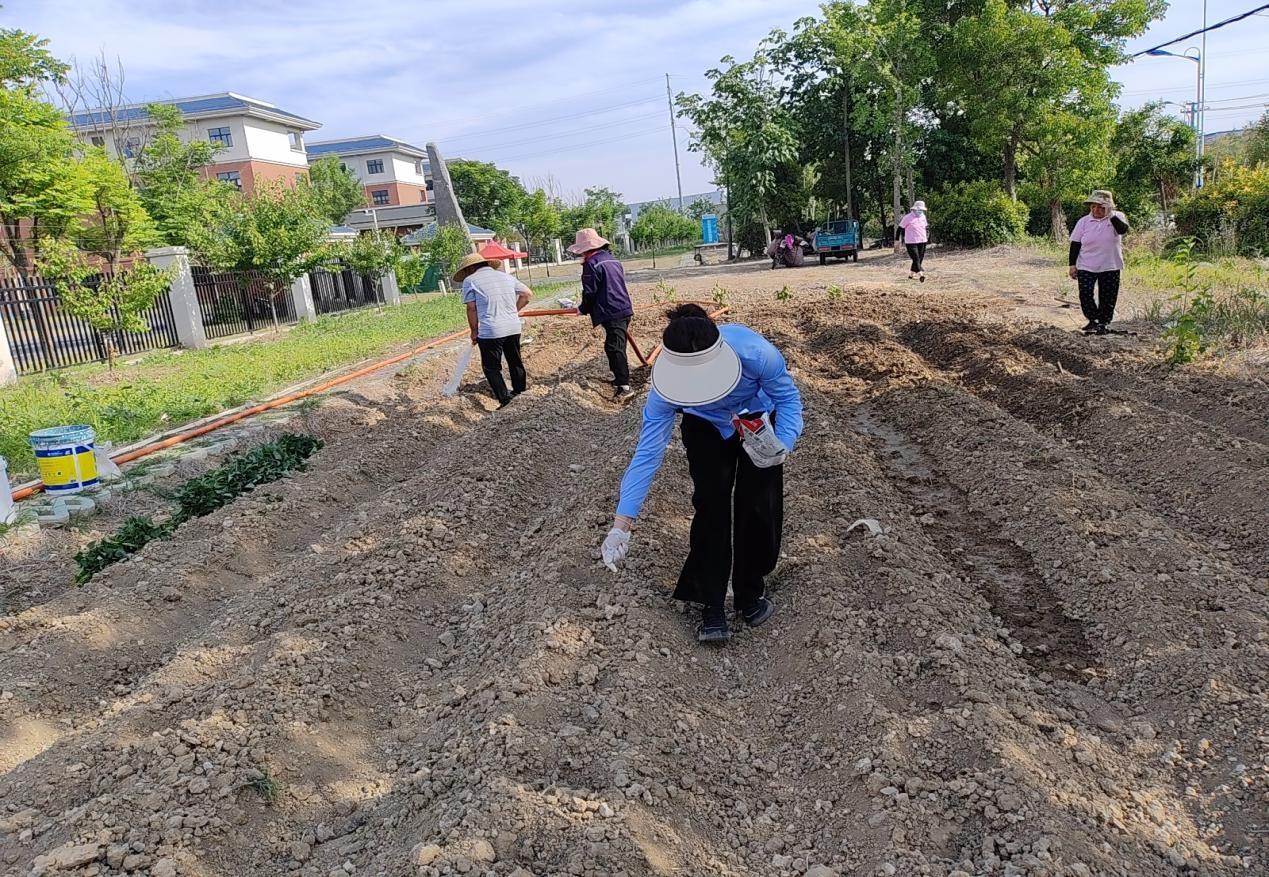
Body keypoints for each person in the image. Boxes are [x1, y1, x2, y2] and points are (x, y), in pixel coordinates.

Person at [599, 304, 804, 643]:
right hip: (706, 428)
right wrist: (622, 524)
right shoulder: (664, 388)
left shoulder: (755, 353)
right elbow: (648, 453)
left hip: (757, 419)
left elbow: (789, 399)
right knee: (711, 506)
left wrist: (782, 443)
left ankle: (750, 592)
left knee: (758, 505)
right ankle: (711, 604)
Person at [454, 251, 532, 408]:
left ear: (470, 269)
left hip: (491, 330)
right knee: (515, 360)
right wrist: (512, 312)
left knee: (491, 367)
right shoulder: (505, 276)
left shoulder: (470, 280)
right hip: (513, 326)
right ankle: (520, 393)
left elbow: (471, 308)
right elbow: (527, 294)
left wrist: (474, 331)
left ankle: (505, 400)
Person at [568, 228, 636, 399]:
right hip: (622, 307)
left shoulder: (591, 264)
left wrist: (582, 309)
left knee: (615, 348)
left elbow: (590, 292)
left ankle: (625, 386)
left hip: (611, 310)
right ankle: (620, 378)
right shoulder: (612, 260)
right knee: (614, 346)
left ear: (585, 249)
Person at [1069, 190, 1130, 335]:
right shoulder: (1083, 221)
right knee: (1085, 293)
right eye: (1093, 206)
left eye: (1101, 207)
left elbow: (1122, 230)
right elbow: (1075, 243)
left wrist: (1110, 216)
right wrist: (1072, 265)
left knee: (1108, 296)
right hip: (1086, 264)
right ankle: (1093, 319)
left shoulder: (1118, 217)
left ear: (1109, 207)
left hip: (1110, 264)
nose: (1096, 210)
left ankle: (1103, 322)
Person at [898, 200, 929, 281]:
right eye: (919, 210)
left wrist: (927, 236)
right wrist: (897, 240)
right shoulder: (907, 217)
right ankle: (921, 274)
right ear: (914, 209)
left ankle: (911, 275)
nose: (920, 211)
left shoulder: (923, 217)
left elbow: (925, 227)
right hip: (911, 241)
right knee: (916, 258)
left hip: (922, 240)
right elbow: (900, 228)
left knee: (920, 258)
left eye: (921, 210)